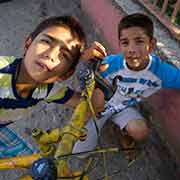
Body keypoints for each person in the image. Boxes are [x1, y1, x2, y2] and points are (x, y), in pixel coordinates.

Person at [73, 13, 180, 161]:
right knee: (79, 154)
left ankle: (122, 131)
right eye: (125, 42)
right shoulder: (111, 64)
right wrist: (85, 59)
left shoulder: (161, 72)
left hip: (123, 108)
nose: (131, 49)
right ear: (120, 45)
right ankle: (96, 122)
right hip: (99, 105)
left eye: (139, 41)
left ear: (152, 44)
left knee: (140, 132)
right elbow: (84, 78)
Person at [0, 15, 105, 157]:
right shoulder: (2, 71)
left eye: (64, 55)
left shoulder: (46, 90)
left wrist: (94, 73)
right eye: (46, 42)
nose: (51, 54)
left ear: (65, 75)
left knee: (36, 163)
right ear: (28, 44)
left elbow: (92, 105)